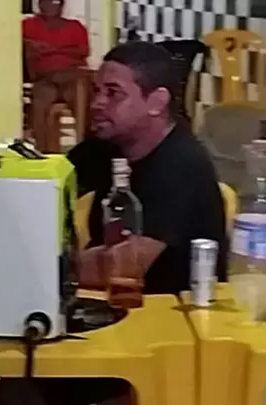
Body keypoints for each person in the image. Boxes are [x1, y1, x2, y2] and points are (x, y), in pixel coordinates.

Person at [69, 41, 227, 297]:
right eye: (97, 91)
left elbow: (121, 266)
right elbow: (53, 186)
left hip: (172, 311)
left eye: (113, 93)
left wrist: (43, 266)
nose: (97, 103)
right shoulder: (108, 145)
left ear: (156, 102)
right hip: (117, 302)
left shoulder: (181, 165)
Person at [22, 0, 89, 150]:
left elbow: (83, 51)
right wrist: (64, 50)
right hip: (44, 78)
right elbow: (24, 45)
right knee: (41, 104)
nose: (51, 5)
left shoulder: (75, 26)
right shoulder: (28, 25)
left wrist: (51, 49)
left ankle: (86, 146)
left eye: (55, 1)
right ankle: (43, 151)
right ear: (39, 4)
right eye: (46, 1)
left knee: (83, 94)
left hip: (71, 77)